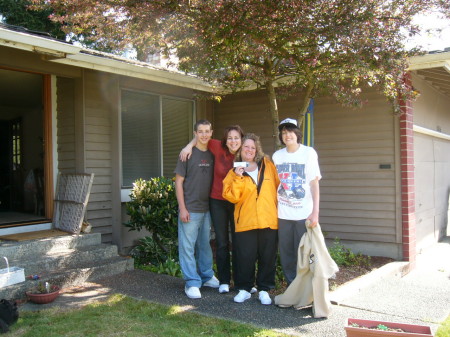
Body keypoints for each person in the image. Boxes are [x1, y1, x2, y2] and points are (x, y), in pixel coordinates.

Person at [180, 125, 244, 294]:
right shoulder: (217, 146)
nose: (233, 141)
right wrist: (188, 146)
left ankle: (241, 282)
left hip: (238, 202)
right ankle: (223, 280)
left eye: (236, 138)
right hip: (217, 201)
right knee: (222, 242)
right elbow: (202, 136)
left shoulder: (245, 153)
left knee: (239, 242)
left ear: (241, 140)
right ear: (225, 139)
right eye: (230, 137)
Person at [222, 133, 280, 305]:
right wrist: (238, 177)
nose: (249, 150)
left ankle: (264, 290)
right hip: (245, 222)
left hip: (268, 220)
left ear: (257, 150)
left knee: (267, 257)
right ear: (241, 149)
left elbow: (279, 187)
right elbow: (231, 196)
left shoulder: (268, 165)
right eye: (246, 146)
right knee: (244, 257)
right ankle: (244, 289)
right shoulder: (234, 171)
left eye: (252, 147)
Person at [272, 118, 322, 285]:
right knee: (286, 254)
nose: (287, 135)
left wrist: (315, 212)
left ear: (298, 134)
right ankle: (291, 288)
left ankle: (306, 288)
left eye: (291, 131)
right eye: (284, 132)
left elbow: (314, 184)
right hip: (283, 214)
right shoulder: (277, 156)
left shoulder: (308, 153)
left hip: (303, 213)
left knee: (305, 253)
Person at [174, 119, 219, 299]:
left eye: (207, 131)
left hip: (207, 209)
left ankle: (207, 276)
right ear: (195, 134)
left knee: (205, 245)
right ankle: (192, 282)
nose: (204, 135)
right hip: (190, 208)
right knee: (187, 247)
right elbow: (178, 182)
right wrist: (182, 208)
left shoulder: (213, 153)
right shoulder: (187, 155)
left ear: (211, 132)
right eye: (200, 131)